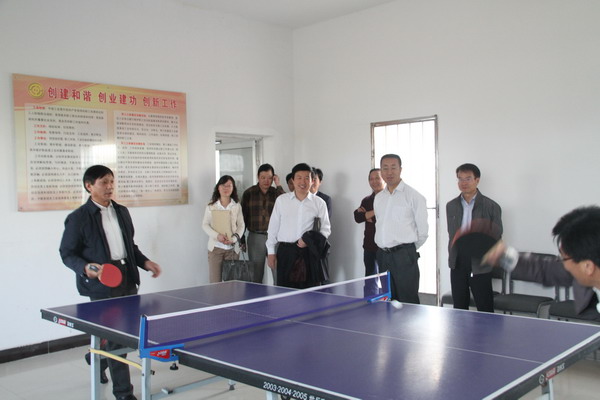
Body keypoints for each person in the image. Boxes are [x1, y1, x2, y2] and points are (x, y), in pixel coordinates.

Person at [59, 165, 161, 400]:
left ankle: (97, 358)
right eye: (104, 182)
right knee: (116, 339)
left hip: (127, 278)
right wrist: (85, 268)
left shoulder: (122, 211)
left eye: (112, 181)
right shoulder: (78, 218)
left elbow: (130, 246)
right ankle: (123, 393)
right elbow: (67, 253)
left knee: (128, 334)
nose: (110, 186)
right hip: (101, 284)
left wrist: (145, 262)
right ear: (89, 186)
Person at [484, 206, 600, 322]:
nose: (563, 264)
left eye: (563, 259)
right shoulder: (585, 267)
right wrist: (505, 256)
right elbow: (548, 270)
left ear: (588, 267)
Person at [446, 163, 502, 312]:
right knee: (459, 306)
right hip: (458, 261)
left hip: (480, 261)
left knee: (484, 307)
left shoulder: (491, 206)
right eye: (460, 179)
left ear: (477, 180)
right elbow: (451, 234)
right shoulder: (451, 206)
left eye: (468, 179)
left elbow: (496, 236)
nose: (463, 183)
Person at [374, 154, 428, 304]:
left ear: (400, 169)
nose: (389, 172)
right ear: (381, 171)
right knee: (388, 301)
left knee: (408, 301)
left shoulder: (414, 196)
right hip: (383, 256)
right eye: (385, 168)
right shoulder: (379, 198)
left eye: (393, 167)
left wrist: (406, 250)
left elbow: (423, 232)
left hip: (404, 255)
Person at [266, 163, 331, 288]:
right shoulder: (282, 200)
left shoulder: (319, 203)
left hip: (309, 253)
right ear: (293, 180)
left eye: (307, 178)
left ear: (312, 181)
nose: (303, 182)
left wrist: (310, 240)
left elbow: (325, 229)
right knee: (285, 292)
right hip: (286, 253)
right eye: (299, 177)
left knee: (310, 293)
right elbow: (273, 228)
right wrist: (271, 252)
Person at [241, 164, 285, 283]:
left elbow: (287, 205)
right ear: (258, 177)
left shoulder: (277, 193)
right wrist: (242, 239)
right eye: (263, 177)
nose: (266, 181)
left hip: (275, 237)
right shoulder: (249, 193)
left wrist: (278, 185)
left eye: (270, 178)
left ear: (273, 178)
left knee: (278, 273)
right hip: (256, 237)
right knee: (256, 274)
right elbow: (243, 217)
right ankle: (256, 295)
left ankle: (279, 294)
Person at [202, 175, 245, 283]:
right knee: (215, 283)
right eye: (223, 185)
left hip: (232, 250)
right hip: (215, 249)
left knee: (232, 284)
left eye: (229, 186)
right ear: (218, 187)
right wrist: (217, 236)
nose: (226, 188)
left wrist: (234, 239)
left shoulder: (236, 205)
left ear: (233, 188)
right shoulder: (211, 206)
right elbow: (205, 225)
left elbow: (241, 225)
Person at [354, 168, 385, 277]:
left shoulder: (390, 199)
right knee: (369, 281)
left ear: (384, 179)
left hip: (385, 248)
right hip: (369, 246)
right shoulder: (366, 200)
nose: (374, 181)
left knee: (386, 281)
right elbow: (357, 217)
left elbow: (384, 220)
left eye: (377, 178)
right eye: (371, 179)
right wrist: (375, 213)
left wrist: (367, 215)